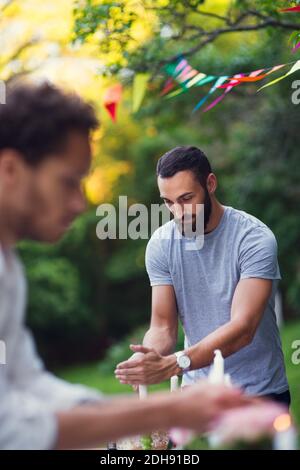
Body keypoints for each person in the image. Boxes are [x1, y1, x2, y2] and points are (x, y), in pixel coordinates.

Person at [0, 83, 248, 450]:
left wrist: (120, 431)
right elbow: (10, 428)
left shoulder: (9, 264)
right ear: (10, 169)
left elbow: (28, 383)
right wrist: (164, 410)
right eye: (69, 182)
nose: (80, 204)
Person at [115, 146, 290, 407]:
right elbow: (163, 326)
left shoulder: (254, 239)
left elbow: (243, 328)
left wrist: (176, 363)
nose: (178, 212)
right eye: (168, 202)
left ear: (210, 184)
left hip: (259, 394)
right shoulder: (162, 244)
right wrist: (148, 358)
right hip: (197, 393)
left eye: (186, 198)